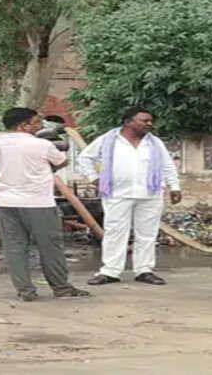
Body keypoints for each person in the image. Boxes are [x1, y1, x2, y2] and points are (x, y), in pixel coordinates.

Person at [0, 107, 90, 301]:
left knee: (15, 248)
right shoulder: (41, 145)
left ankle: (25, 291)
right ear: (23, 125)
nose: (39, 126)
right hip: (39, 202)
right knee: (50, 247)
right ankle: (61, 288)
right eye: (36, 122)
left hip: (7, 202)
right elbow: (62, 161)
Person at [77, 107, 182, 286]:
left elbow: (167, 165)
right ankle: (110, 272)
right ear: (128, 122)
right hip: (117, 193)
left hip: (150, 193)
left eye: (150, 121)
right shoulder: (108, 140)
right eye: (144, 121)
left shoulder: (154, 142)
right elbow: (85, 158)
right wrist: (94, 178)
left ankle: (144, 270)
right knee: (115, 232)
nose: (149, 124)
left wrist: (175, 187)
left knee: (147, 234)